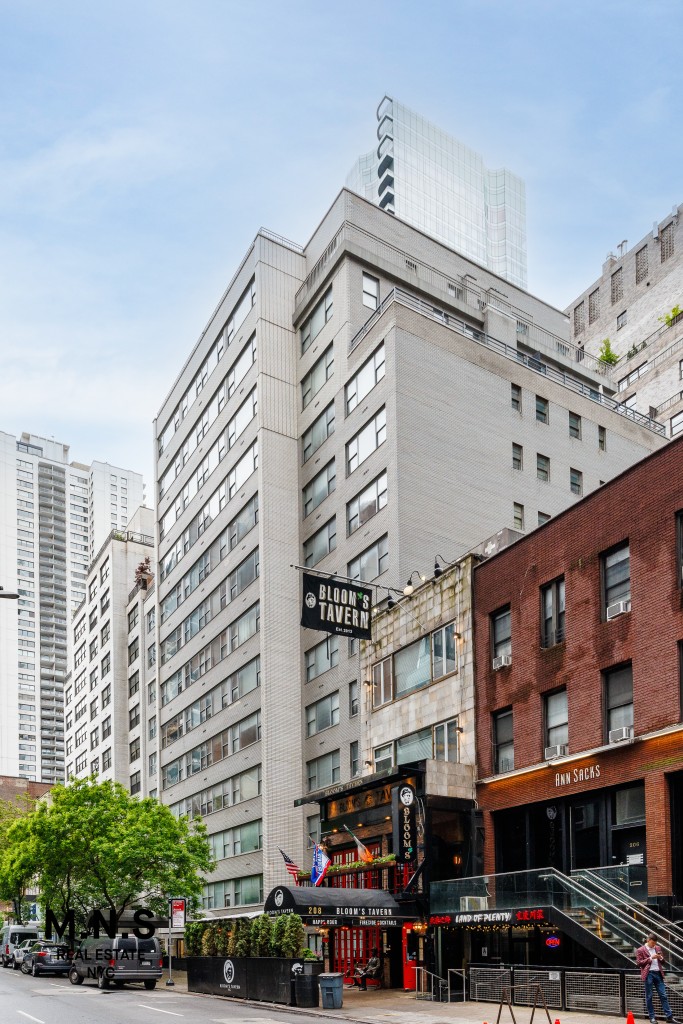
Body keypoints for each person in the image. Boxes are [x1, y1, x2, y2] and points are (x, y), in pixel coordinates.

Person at [635, 934, 679, 1024]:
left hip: (658, 973)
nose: (653, 945)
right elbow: (639, 963)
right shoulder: (640, 950)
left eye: (655, 943)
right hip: (648, 974)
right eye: (652, 943)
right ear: (648, 940)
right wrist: (651, 958)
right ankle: (652, 1018)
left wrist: (661, 957)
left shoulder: (658, 948)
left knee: (663, 995)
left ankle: (669, 1017)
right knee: (649, 996)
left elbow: (663, 962)